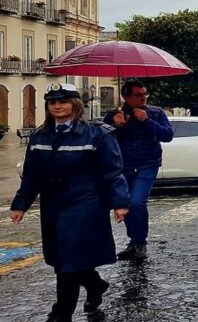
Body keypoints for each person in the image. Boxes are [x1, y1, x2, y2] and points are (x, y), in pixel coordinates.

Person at [10, 83, 130, 321]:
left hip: (85, 204)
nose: (57, 106)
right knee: (63, 257)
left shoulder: (98, 134)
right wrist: (20, 204)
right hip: (53, 205)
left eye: (62, 101)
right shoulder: (40, 135)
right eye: (52, 102)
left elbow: (113, 172)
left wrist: (120, 202)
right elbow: (32, 175)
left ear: (75, 105)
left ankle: (61, 314)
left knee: (69, 258)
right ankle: (95, 285)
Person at [104, 80, 173, 260]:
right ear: (126, 97)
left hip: (147, 164)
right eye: (138, 95)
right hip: (123, 165)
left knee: (137, 202)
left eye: (145, 94)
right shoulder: (114, 115)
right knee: (125, 204)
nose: (143, 98)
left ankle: (140, 242)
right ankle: (133, 241)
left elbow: (167, 135)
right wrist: (115, 126)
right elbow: (102, 140)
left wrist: (147, 121)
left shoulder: (155, 113)